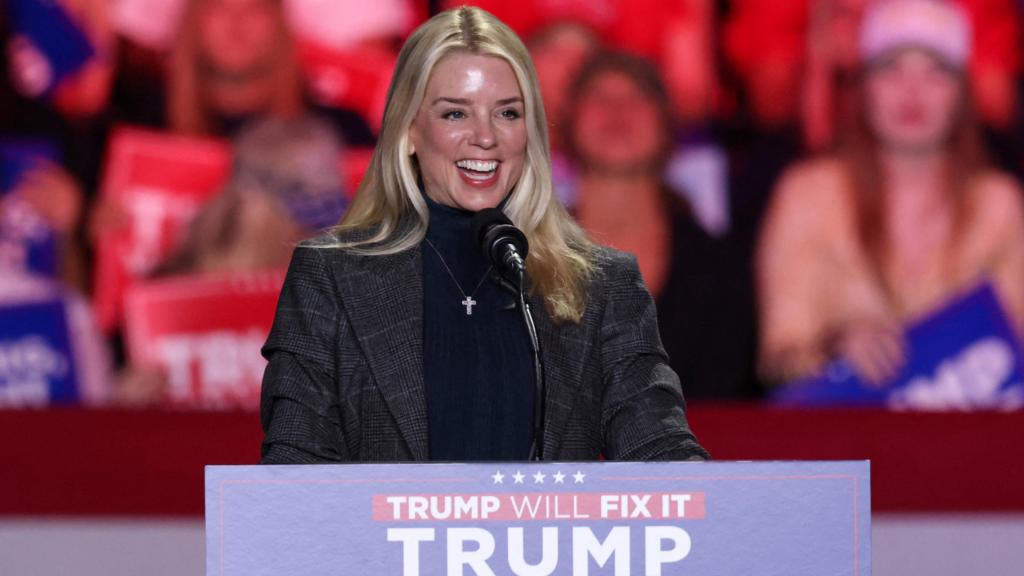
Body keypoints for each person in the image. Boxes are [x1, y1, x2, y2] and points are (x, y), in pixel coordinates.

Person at [259, 6, 708, 463]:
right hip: (378, 537)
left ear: (529, 131)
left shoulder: (603, 284)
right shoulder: (331, 277)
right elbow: (295, 469)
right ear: (409, 130)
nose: (485, 137)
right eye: (455, 114)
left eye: (507, 113)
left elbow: (661, 453)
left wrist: (724, 499)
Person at [757, 0, 1024, 385]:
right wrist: (835, 349)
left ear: (962, 93)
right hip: (845, 435)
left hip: (969, 438)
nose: (912, 91)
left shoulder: (1000, 204)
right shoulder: (808, 195)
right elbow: (776, 358)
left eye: (937, 72)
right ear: (863, 87)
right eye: (891, 69)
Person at [565, 51, 758, 400]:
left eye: (638, 96)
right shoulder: (523, 257)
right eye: (598, 96)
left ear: (667, 125)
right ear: (568, 124)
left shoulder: (718, 266)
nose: (617, 111)